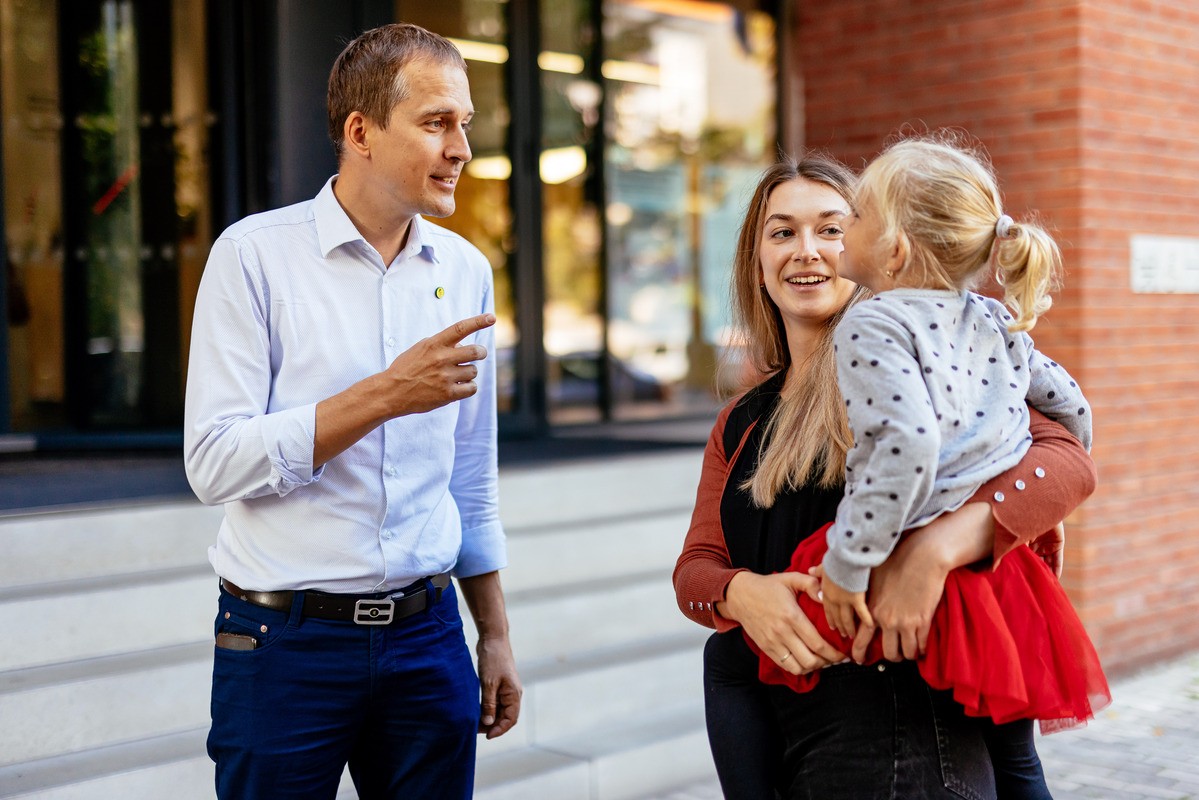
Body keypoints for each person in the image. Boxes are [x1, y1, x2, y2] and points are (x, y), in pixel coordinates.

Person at [673, 152, 1098, 799]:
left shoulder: (916, 363)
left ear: (889, 247)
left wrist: (937, 548)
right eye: (781, 231)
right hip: (787, 720)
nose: (807, 250)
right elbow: (695, 569)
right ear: (754, 258)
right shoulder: (741, 420)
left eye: (833, 227)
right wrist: (740, 595)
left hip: (901, 717)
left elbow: (1065, 460)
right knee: (725, 657)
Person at [184, 23, 520, 800]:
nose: (461, 148)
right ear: (360, 132)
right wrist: (384, 396)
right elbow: (213, 463)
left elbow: (469, 475)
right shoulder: (252, 257)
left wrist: (493, 634)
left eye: (463, 123)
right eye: (437, 122)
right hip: (282, 646)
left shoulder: (465, 271)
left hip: (428, 638)